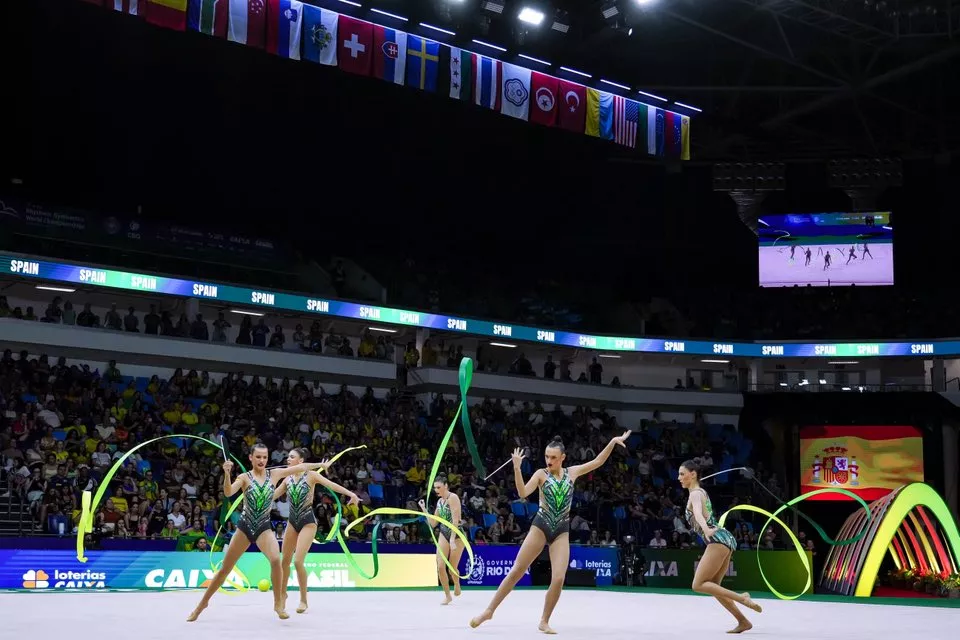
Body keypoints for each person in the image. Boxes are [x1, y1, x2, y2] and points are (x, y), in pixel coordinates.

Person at [470, 431, 630, 633]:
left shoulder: (572, 473)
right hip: (541, 525)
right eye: (547, 456)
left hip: (561, 530)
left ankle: (544, 621)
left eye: (553, 457)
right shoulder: (541, 474)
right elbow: (522, 493)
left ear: (563, 458)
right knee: (517, 570)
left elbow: (597, 461)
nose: (549, 461)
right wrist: (517, 468)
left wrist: (613, 441)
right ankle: (489, 611)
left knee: (559, 578)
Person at [186, 443, 327, 622]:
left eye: (265, 457)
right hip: (245, 527)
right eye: (258, 457)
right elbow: (228, 492)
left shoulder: (274, 474)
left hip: (263, 528)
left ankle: (278, 603)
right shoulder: (244, 477)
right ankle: (202, 604)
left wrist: (321, 465)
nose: (262, 460)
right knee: (225, 570)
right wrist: (227, 474)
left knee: (276, 560)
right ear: (251, 458)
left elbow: (301, 467)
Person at [678, 459, 762, 634]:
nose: (679, 478)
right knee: (715, 586)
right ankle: (743, 621)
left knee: (698, 584)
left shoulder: (695, 493)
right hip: (725, 539)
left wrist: (706, 529)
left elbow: (698, 514)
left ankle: (742, 598)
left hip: (716, 539)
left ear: (693, 474)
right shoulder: (700, 492)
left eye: (682, 474)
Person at [274, 447, 360, 614]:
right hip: (292, 522)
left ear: (301, 461)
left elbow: (332, 485)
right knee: (284, 561)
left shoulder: (311, 475)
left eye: (291, 457)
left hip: (307, 522)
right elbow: (272, 496)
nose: (288, 459)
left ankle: (303, 600)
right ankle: (283, 595)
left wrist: (352, 494)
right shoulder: (287, 479)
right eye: (288, 457)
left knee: (298, 561)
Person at [418, 473, 465, 605]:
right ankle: (447, 596)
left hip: (457, 535)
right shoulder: (439, 502)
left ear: (446, 486)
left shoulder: (453, 498)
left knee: (452, 569)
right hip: (444, 533)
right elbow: (433, 523)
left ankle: (456, 583)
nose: (436, 490)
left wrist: (452, 540)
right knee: (440, 566)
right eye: (435, 488)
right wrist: (424, 509)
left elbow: (455, 521)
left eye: (438, 487)